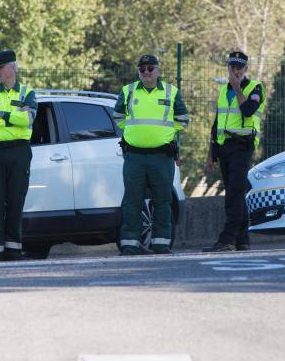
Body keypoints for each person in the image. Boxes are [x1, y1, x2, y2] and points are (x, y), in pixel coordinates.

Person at [113, 54, 189, 255]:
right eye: (142, 69)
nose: (146, 72)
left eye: (150, 68)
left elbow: (182, 119)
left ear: (158, 70)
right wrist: (135, 134)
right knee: (132, 201)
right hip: (134, 156)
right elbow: (119, 117)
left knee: (162, 201)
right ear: (138, 72)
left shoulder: (171, 92)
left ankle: (161, 244)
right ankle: (130, 244)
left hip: (161, 157)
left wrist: (164, 134)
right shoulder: (128, 91)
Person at [0, 49, 37, 261]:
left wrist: (0, 114)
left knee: (15, 201)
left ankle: (13, 250)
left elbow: (28, 120)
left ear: (13, 67)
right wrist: (13, 117)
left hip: (19, 151)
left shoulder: (27, 93)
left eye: (0, 68)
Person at [203, 51, 266, 252]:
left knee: (234, 194)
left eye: (239, 67)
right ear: (228, 67)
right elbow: (217, 123)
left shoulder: (255, 87)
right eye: (232, 67)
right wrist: (211, 153)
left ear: (246, 69)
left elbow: (248, 110)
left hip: (242, 146)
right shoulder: (223, 90)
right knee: (235, 194)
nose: (236, 70)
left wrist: (239, 89)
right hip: (224, 147)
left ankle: (227, 239)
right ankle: (242, 240)